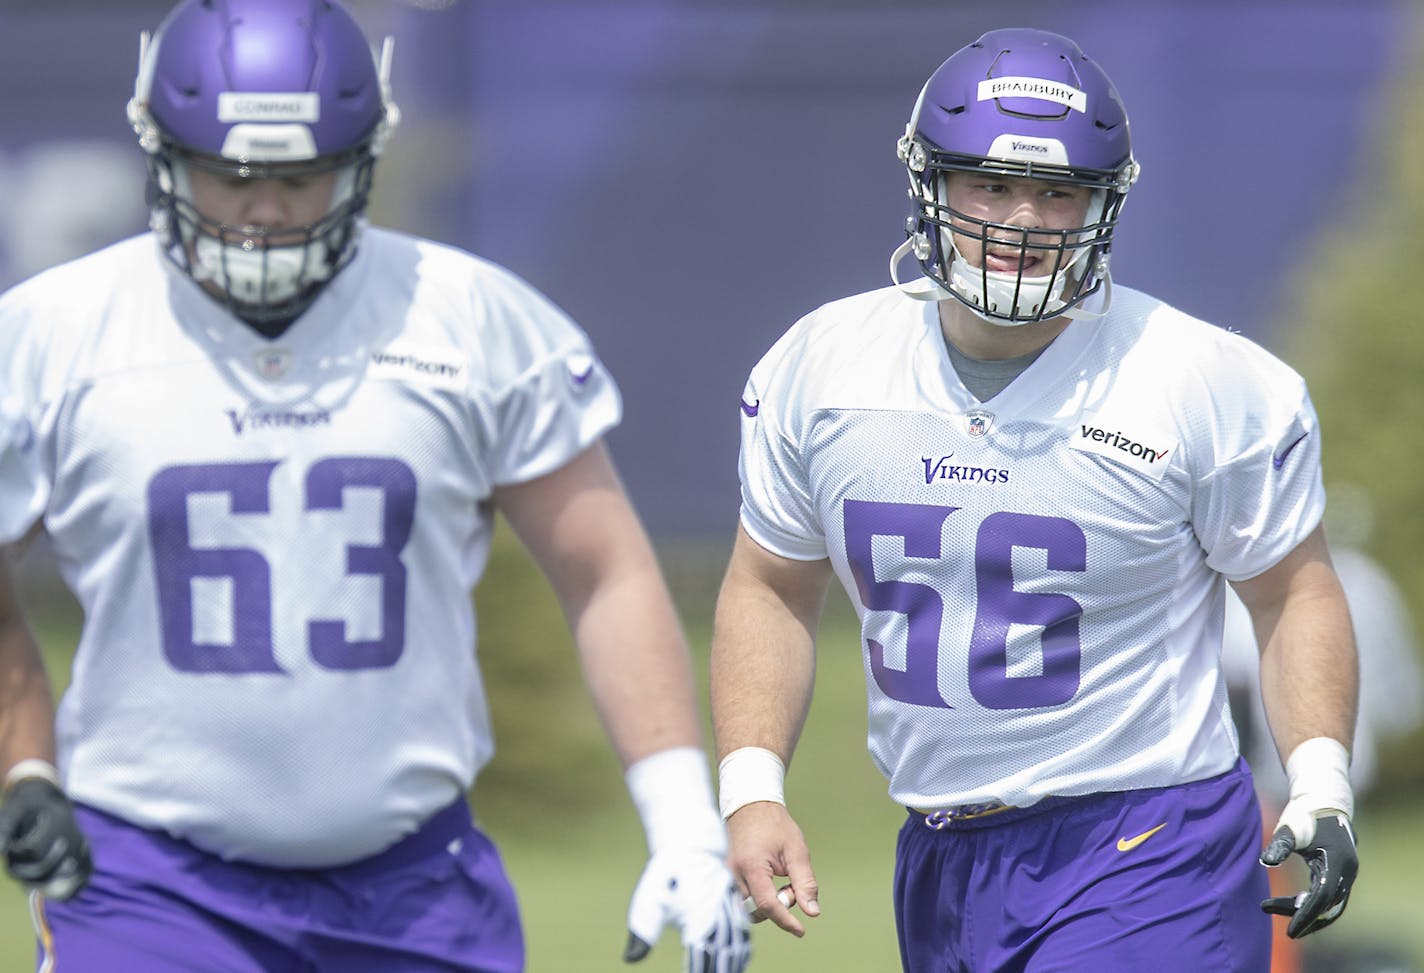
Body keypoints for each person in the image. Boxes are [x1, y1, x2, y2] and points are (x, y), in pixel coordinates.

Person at [0, 2, 750, 971]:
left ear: (360, 160)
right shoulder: (55, 334)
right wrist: (23, 760)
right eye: (230, 175)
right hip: (150, 880)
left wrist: (682, 818)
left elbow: (604, 568)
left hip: (414, 887)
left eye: (298, 175)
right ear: (164, 155)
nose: (264, 209)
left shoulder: (468, 318)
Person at [710, 27, 1359, 972]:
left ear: (1105, 203)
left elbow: (1291, 589)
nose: (1020, 220)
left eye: (1058, 192)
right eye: (991, 184)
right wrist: (752, 787)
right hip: (940, 852)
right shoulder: (822, 368)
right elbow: (767, 582)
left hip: (1148, 843)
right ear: (929, 182)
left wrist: (1320, 781)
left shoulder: (1200, 379)